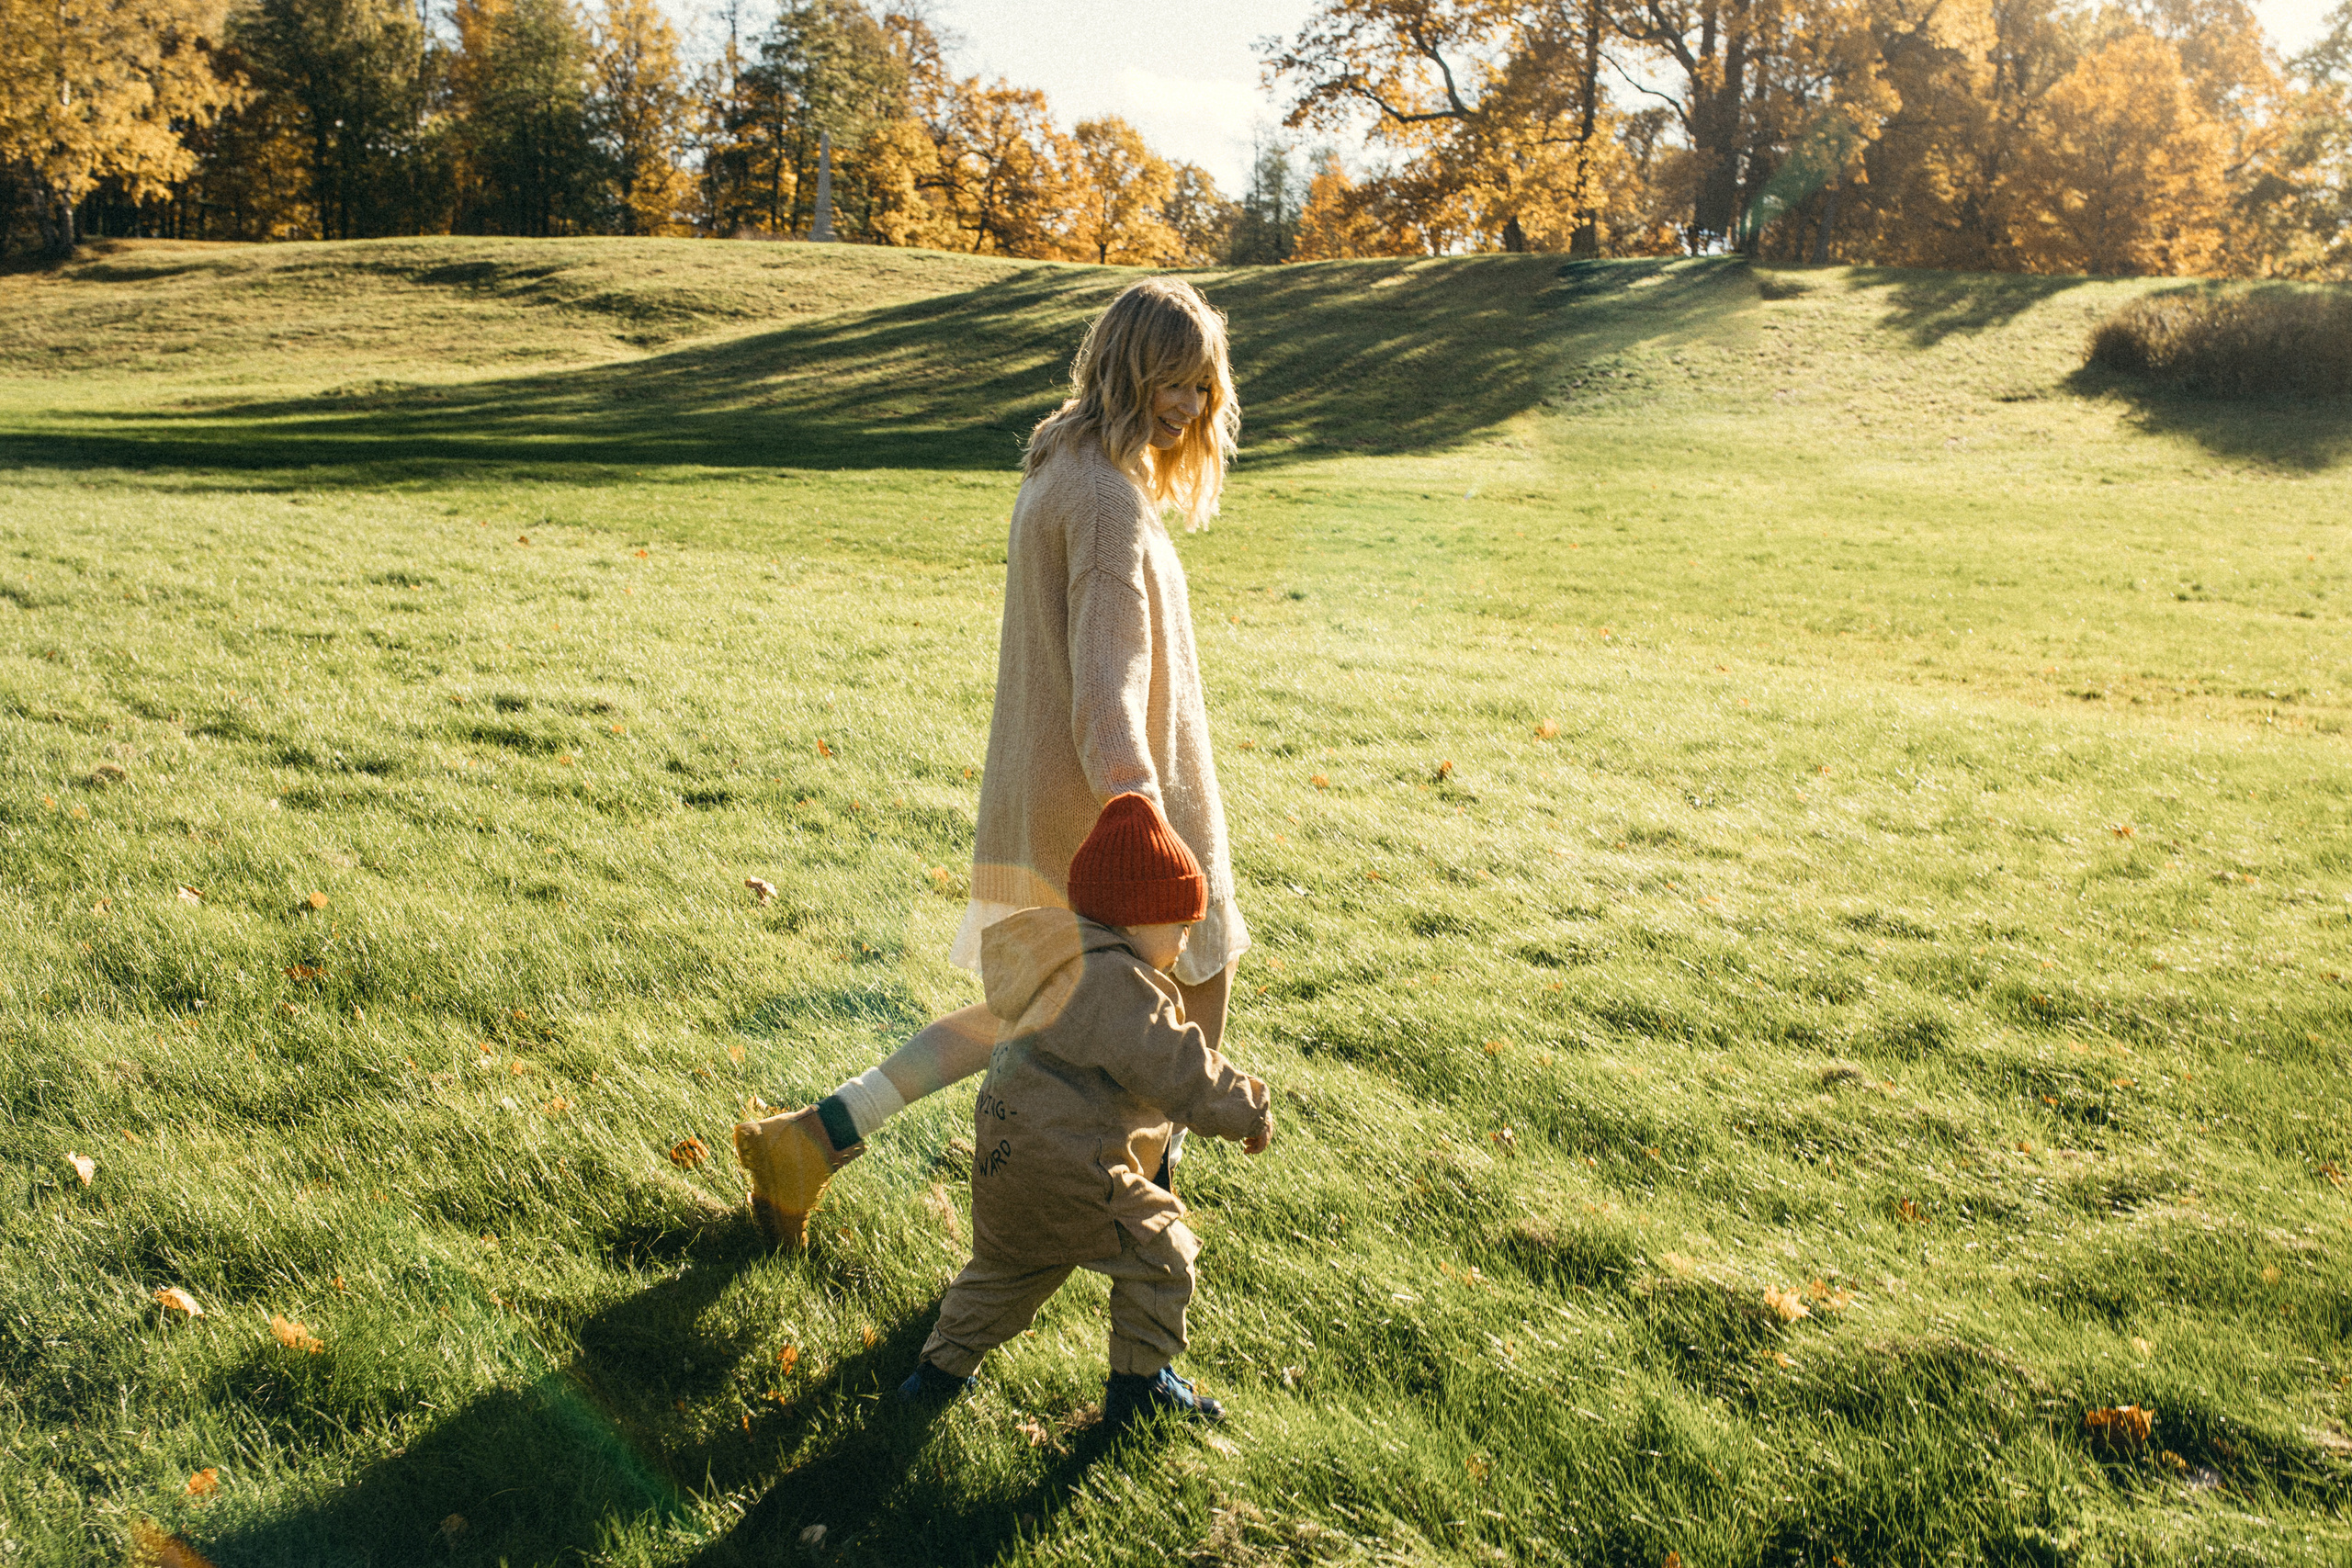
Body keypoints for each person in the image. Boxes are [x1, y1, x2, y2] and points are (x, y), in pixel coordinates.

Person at [734, 276, 1249, 1247]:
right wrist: (1140, 816)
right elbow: (1107, 683)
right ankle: (1140, 1224)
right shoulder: (1105, 501)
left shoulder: (1064, 464)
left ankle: (813, 1138)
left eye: (1201, 386)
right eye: (1170, 381)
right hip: (1117, 815)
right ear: (1125, 368)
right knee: (1190, 991)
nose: (1187, 405)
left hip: (1044, 803)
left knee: (1024, 1012)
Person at [899, 793, 1272, 1427]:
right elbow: (1178, 1065)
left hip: (1007, 1162)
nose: (1186, 939)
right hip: (1076, 1169)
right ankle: (1140, 1387)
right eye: (1180, 923)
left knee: (1005, 1274)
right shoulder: (1117, 985)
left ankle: (935, 1374)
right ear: (1137, 918)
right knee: (1163, 1253)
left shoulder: (1053, 959)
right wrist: (1248, 1107)